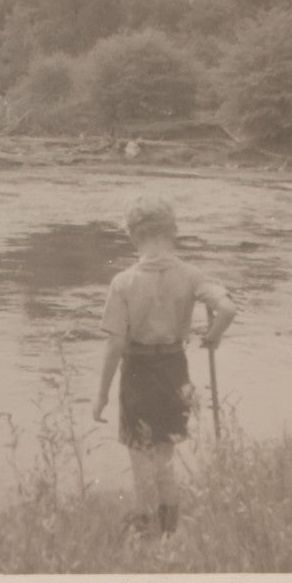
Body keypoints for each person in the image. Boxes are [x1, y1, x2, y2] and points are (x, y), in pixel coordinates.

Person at [92, 195, 236, 537]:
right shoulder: (191, 274)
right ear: (172, 233)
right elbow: (228, 309)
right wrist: (212, 336)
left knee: (140, 456)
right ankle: (169, 530)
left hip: (138, 372)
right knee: (164, 455)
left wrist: (101, 394)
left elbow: (115, 344)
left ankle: (145, 530)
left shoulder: (124, 282)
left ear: (133, 236)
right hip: (174, 369)